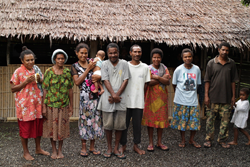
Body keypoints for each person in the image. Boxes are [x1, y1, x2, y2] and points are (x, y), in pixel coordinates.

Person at [10, 46, 49, 161]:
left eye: (32, 59)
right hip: (25, 106)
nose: (30, 62)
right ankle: (25, 152)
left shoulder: (36, 69)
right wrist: (26, 82)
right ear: (22, 61)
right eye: (27, 60)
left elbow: (43, 81)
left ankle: (38, 148)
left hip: (37, 103)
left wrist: (39, 79)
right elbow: (13, 88)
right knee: (25, 129)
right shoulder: (18, 72)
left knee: (38, 127)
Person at [97, 43, 130, 159]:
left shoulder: (124, 64)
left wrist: (116, 96)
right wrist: (113, 95)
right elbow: (105, 80)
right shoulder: (104, 64)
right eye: (110, 53)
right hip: (108, 99)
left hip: (120, 98)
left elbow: (126, 80)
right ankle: (109, 147)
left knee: (120, 125)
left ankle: (116, 148)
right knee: (108, 125)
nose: (113, 55)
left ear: (118, 52)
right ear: (107, 54)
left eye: (115, 52)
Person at [71, 43, 104, 157]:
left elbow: (101, 73)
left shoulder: (93, 62)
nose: (84, 55)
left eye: (86, 53)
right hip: (84, 98)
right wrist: (88, 69)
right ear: (76, 53)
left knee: (95, 121)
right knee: (85, 121)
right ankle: (84, 147)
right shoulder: (74, 66)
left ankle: (92, 147)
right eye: (81, 53)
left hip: (96, 97)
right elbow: (77, 82)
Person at [204, 42, 239, 148]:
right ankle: (208, 139)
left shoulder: (231, 63)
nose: (225, 52)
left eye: (227, 50)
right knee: (210, 120)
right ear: (218, 50)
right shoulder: (211, 63)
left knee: (225, 121)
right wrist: (206, 95)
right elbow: (207, 80)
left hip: (227, 98)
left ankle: (222, 140)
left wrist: (233, 97)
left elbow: (233, 81)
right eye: (223, 50)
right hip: (213, 97)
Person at [42, 49, 74, 159]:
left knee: (62, 128)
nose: (60, 60)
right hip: (51, 105)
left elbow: (70, 90)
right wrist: (44, 106)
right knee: (52, 129)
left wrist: (71, 106)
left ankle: (60, 150)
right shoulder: (49, 72)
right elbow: (45, 90)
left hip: (63, 105)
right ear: (54, 59)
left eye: (62, 58)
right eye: (58, 58)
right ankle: (54, 150)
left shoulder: (67, 72)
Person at [119, 44, 150, 155]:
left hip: (138, 102)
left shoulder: (145, 67)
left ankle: (136, 146)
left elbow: (146, 85)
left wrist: (140, 96)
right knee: (123, 125)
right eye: (135, 52)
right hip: (125, 102)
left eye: (139, 52)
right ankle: (123, 145)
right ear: (130, 53)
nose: (137, 54)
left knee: (137, 126)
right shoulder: (124, 65)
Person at [170, 48, 201, 148]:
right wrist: (179, 94)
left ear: (192, 57)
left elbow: (198, 84)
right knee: (182, 121)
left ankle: (191, 139)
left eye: (189, 56)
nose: (187, 58)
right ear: (182, 58)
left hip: (193, 100)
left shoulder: (197, 69)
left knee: (194, 122)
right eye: (185, 57)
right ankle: (183, 140)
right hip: (181, 100)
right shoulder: (178, 70)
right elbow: (174, 84)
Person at [142, 48, 171, 152]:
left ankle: (159, 142)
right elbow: (148, 82)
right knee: (150, 121)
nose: (156, 59)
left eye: (158, 57)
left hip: (162, 99)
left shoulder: (164, 67)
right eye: (154, 57)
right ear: (151, 58)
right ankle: (150, 143)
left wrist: (157, 78)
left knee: (161, 120)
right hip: (150, 98)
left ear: (161, 58)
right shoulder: (147, 68)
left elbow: (167, 82)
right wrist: (162, 78)